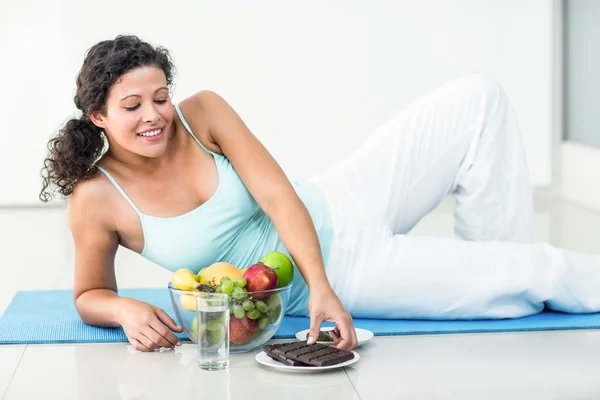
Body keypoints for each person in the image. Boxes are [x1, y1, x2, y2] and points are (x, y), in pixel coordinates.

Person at [40, 35, 600, 353]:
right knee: (542, 270)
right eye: (132, 107)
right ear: (99, 116)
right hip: (355, 267)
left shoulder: (202, 112)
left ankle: (497, 261)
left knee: (480, 99)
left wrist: (322, 287)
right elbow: (89, 291)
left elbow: (282, 196)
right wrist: (120, 308)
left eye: (159, 97)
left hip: (339, 198)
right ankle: (511, 269)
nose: (153, 116)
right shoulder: (97, 197)